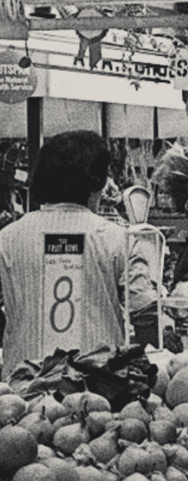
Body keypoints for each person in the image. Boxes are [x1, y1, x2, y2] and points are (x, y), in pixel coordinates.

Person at [0, 131, 128, 380]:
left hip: (22, 387)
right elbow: (145, 312)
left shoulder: (7, 237)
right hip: (100, 389)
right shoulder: (115, 238)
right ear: (97, 182)